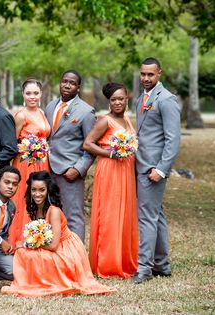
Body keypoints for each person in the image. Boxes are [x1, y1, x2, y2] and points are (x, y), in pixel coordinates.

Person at [1, 171, 116, 297]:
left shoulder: (54, 211)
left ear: (48, 190)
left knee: (25, 251)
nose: (37, 194)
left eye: (42, 190)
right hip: (51, 245)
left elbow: (53, 245)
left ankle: (42, 282)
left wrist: (27, 243)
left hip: (64, 249)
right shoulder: (37, 208)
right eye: (34, 190)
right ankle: (33, 281)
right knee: (23, 253)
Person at [83, 83, 138, 278]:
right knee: (110, 215)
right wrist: (111, 154)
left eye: (120, 99)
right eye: (113, 99)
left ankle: (124, 260)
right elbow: (87, 144)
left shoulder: (128, 120)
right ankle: (107, 263)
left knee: (125, 215)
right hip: (110, 171)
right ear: (109, 101)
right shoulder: (104, 121)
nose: (117, 102)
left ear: (126, 100)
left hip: (127, 171)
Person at [133, 57, 181, 284]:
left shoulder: (167, 100)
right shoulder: (141, 97)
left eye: (150, 74)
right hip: (139, 164)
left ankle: (144, 268)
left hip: (153, 169)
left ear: (159, 74)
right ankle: (163, 265)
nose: (145, 78)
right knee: (156, 215)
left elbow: (173, 140)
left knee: (147, 218)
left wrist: (161, 169)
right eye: (143, 74)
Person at [44, 70, 95, 242]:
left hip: (69, 173)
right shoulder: (50, 107)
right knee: (50, 214)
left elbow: (91, 147)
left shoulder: (86, 112)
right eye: (64, 81)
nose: (67, 85)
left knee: (74, 216)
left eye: (72, 83)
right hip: (47, 170)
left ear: (78, 87)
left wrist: (78, 169)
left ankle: (77, 259)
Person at [8, 78, 51, 246]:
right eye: (28, 93)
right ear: (23, 95)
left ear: (40, 94)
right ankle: (19, 239)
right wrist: (30, 148)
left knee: (41, 198)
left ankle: (39, 237)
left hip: (43, 163)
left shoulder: (41, 113)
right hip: (26, 163)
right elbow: (12, 144)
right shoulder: (20, 115)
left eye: (35, 93)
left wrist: (41, 148)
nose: (32, 97)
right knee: (26, 199)